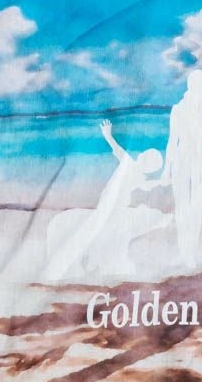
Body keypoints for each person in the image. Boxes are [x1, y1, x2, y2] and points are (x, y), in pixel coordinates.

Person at [45, 120, 167, 280]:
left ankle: (95, 263)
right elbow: (118, 150)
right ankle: (92, 262)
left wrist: (161, 182)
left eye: (149, 162)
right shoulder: (130, 164)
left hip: (116, 207)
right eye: (147, 157)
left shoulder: (135, 171)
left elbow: (145, 185)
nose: (143, 158)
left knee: (111, 232)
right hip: (110, 207)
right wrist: (108, 135)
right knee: (104, 230)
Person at [162, 70, 202, 268]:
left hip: (201, 158)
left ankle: (190, 253)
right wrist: (166, 169)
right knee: (182, 208)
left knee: (195, 207)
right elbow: (172, 141)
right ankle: (183, 252)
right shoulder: (178, 110)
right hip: (181, 157)